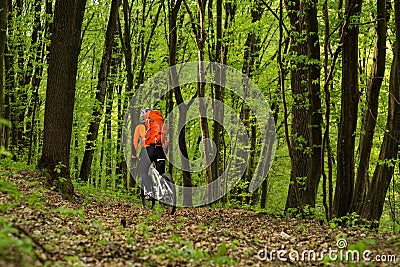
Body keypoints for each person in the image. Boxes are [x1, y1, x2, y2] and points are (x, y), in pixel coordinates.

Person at [131, 108, 168, 208]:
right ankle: (164, 192)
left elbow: (135, 143)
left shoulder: (140, 127)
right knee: (161, 174)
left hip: (148, 150)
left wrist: (134, 156)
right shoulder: (161, 125)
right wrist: (166, 153)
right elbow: (166, 140)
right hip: (161, 150)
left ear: (143, 117)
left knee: (143, 170)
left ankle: (149, 192)